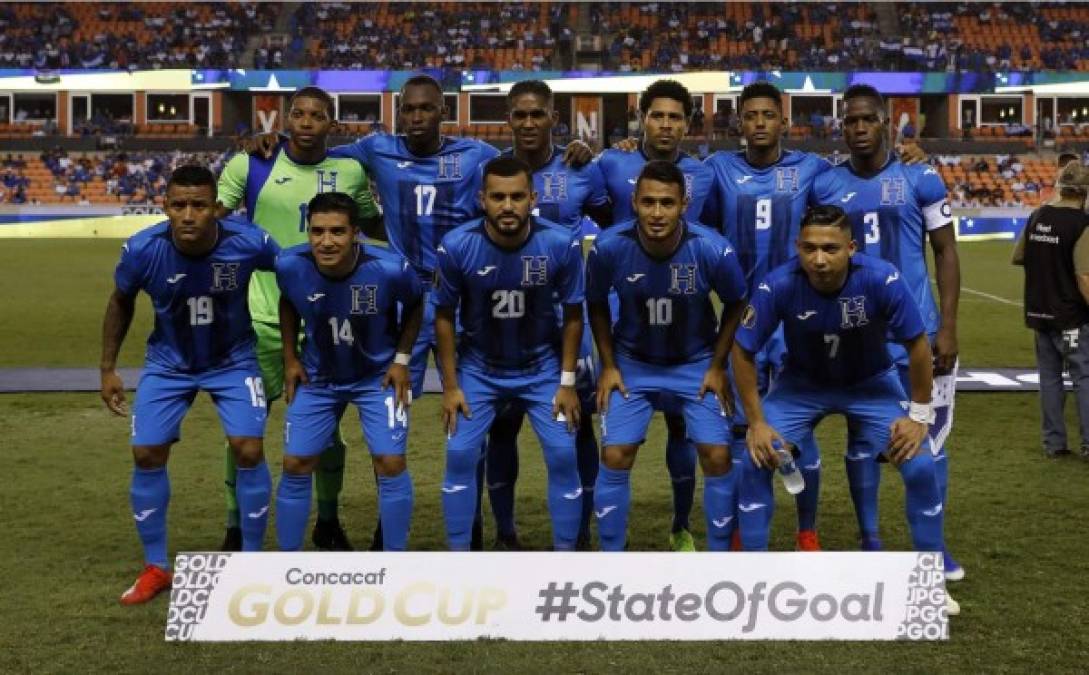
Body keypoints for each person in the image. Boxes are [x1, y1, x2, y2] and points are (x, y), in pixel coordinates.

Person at [701, 81, 929, 551]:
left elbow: (859, 182)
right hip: (741, 317)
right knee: (747, 432)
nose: (760, 123)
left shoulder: (813, 171)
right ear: (738, 122)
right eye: (751, 115)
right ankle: (744, 530)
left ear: (784, 121)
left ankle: (807, 528)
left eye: (769, 115)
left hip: (795, 320)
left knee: (795, 430)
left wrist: (907, 158)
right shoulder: (716, 169)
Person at [731, 204, 958, 616]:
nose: (819, 259)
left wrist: (920, 415)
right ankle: (752, 581)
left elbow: (918, 346)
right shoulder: (776, 285)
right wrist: (757, 422)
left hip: (871, 385)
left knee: (923, 467)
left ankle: (931, 582)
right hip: (801, 386)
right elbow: (742, 351)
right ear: (797, 247)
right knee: (753, 461)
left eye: (831, 249)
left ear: (851, 247)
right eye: (811, 248)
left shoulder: (882, 279)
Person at [99, 165, 280, 605]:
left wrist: (299, 348)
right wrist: (108, 368)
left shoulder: (249, 241)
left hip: (234, 359)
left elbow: (296, 276)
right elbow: (120, 301)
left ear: (215, 208)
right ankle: (156, 567)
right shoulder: (144, 249)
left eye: (199, 205)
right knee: (146, 452)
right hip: (169, 363)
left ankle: (252, 562)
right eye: (178, 205)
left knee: (249, 448)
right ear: (164, 206)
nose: (188, 215)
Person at [217, 85, 381, 552]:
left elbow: (369, 225)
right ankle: (235, 527)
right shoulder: (251, 163)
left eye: (316, 115)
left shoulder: (349, 169)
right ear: (286, 119)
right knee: (245, 431)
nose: (306, 122)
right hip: (258, 318)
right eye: (298, 113)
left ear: (332, 124)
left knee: (324, 431)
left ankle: (327, 522)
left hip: (329, 323)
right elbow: (214, 220)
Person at [810, 84, 964, 581]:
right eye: (849, 122)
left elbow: (945, 251)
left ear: (886, 123)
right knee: (862, 440)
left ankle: (934, 551)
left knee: (932, 440)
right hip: (860, 335)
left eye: (867, 121)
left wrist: (949, 327)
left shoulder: (920, 177)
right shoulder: (826, 185)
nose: (857, 129)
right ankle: (869, 538)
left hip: (919, 331)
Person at [587, 160, 747, 552]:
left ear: (684, 204)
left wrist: (715, 366)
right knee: (615, 454)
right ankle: (611, 556)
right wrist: (608, 366)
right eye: (648, 203)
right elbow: (595, 304)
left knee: (717, 455)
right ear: (634, 203)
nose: (657, 213)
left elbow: (737, 302)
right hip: (633, 362)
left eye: (667, 203)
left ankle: (720, 558)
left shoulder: (712, 249)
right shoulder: (609, 247)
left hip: (694, 363)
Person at [433, 156, 585, 551]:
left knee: (563, 454)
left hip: (542, 368)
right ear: (481, 199)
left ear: (532, 198)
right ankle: (459, 559)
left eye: (517, 196)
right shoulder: (456, 246)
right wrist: (450, 386)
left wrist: (567, 382)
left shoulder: (559, 242)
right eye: (498, 196)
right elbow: (444, 318)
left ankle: (566, 560)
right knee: (460, 453)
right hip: (480, 369)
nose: (507, 205)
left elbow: (573, 315)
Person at [485, 80, 611, 550]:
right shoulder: (491, 169)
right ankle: (504, 533)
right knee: (502, 427)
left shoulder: (582, 169)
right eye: (520, 115)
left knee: (574, 425)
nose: (529, 123)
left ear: (554, 117)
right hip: (504, 319)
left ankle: (579, 536)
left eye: (538, 114)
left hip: (565, 322)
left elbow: (615, 222)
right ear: (508, 118)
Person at [594, 78, 716, 551]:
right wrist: (584, 149)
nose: (666, 124)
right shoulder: (612, 162)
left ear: (688, 123)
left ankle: (681, 523)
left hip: (689, 324)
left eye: (675, 117)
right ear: (641, 118)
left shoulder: (707, 173)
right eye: (657, 115)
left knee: (683, 432)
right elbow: (591, 207)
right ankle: (600, 528)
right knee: (611, 436)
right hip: (629, 321)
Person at [275, 192, 423, 551]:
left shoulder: (390, 268)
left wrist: (402, 360)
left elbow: (418, 303)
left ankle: (394, 558)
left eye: (337, 232)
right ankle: (285, 561)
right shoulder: (289, 265)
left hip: (377, 376)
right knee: (296, 462)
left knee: (390, 461)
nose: (326, 241)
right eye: (317, 231)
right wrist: (290, 358)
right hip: (318, 376)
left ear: (355, 232)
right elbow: (289, 301)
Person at [1012, 162, 1089, 459]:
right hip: (1070, 320)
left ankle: (1054, 443)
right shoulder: (1082, 224)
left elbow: (1018, 257)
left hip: (1040, 315)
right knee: (1083, 376)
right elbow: (1084, 276)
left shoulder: (1037, 215)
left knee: (1050, 378)